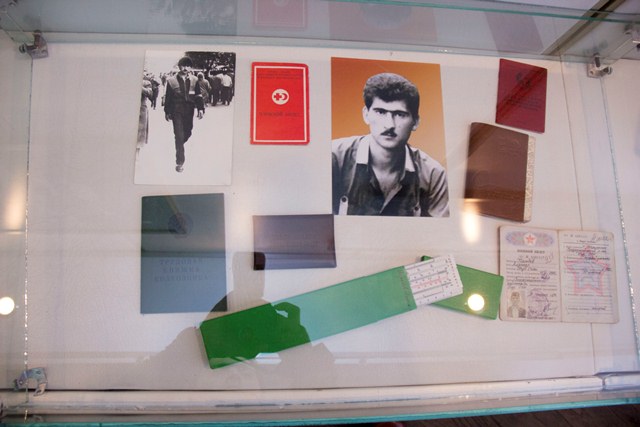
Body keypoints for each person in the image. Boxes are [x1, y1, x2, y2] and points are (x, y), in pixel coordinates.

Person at [332, 72, 449, 217]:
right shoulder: (333, 158)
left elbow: (440, 230)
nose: (389, 125)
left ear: (416, 122)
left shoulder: (433, 176)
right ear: (366, 115)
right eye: (380, 112)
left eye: (400, 114)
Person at [164, 56, 203, 173]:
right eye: (183, 66)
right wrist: (167, 111)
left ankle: (179, 143)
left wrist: (200, 109)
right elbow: (168, 98)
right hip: (176, 110)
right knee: (179, 135)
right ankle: (180, 162)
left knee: (188, 132)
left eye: (188, 66)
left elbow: (198, 95)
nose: (185, 68)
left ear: (190, 68)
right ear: (179, 67)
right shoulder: (171, 81)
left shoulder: (195, 80)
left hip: (189, 110)